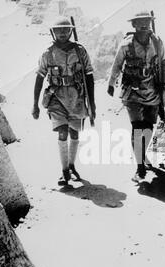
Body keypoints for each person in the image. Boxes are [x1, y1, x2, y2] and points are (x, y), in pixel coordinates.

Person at [33, 16, 96, 185]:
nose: (62, 33)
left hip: (77, 98)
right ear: (53, 32)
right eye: (58, 30)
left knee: (74, 133)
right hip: (56, 98)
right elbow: (39, 78)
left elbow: (89, 75)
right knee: (62, 132)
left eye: (65, 30)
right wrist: (35, 105)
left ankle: (72, 165)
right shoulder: (48, 53)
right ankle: (64, 171)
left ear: (71, 31)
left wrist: (93, 104)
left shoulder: (80, 51)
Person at [107, 10, 165, 182]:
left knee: (148, 127)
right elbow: (117, 65)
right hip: (132, 91)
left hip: (152, 90)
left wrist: (162, 81)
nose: (144, 26)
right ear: (133, 25)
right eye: (140, 23)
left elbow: (164, 61)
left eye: (147, 22)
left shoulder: (157, 42)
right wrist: (111, 84)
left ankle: (142, 155)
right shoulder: (126, 45)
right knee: (137, 127)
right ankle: (140, 167)